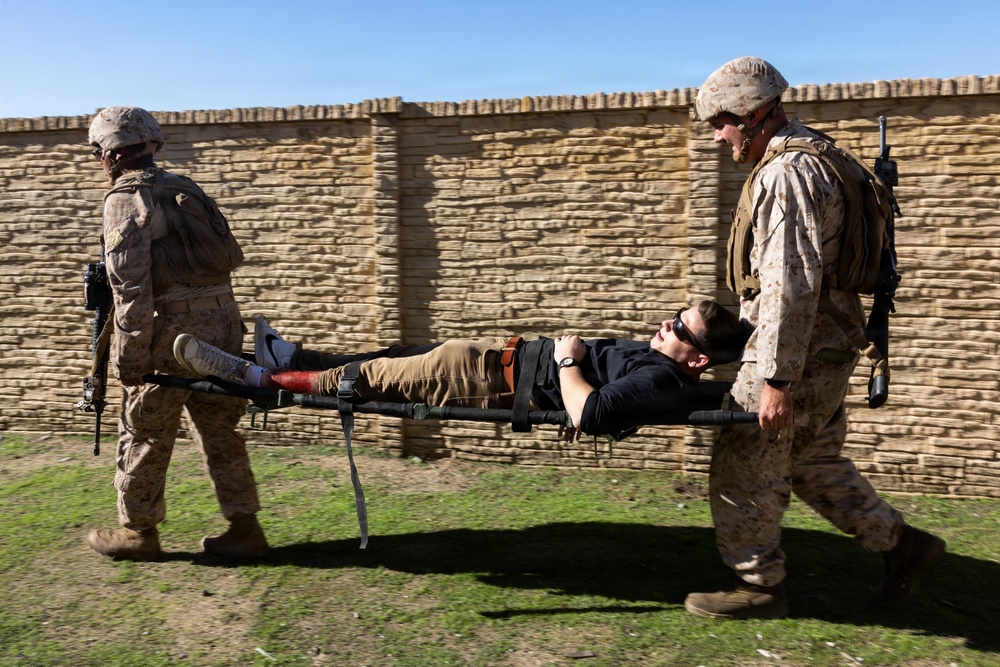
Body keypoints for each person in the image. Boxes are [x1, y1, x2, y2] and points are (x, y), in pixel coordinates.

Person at [685, 57, 945, 619]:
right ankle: (903, 547)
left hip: (797, 353)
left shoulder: (787, 174)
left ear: (753, 114)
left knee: (742, 462)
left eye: (721, 122)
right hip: (827, 344)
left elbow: (791, 283)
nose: (717, 136)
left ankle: (759, 585)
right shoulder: (817, 153)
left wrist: (776, 380)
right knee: (810, 459)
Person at [85, 106, 269, 561]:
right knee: (220, 429)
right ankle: (245, 528)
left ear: (114, 153)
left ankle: (138, 533)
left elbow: (131, 290)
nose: (99, 161)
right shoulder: (186, 188)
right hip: (223, 325)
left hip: (173, 336)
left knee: (144, 429)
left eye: (98, 152)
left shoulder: (125, 199)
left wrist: (130, 358)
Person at [172, 301, 751, 439]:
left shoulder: (662, 379)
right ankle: (289, 360)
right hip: (491, 360)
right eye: (674, 316)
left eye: (680, 329)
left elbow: (590, 413)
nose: (667, 324)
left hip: (483, 379)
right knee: (386, 359)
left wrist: (568, 359)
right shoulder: (664, 365)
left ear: (698, 359)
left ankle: (255, 380)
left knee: (368, 381)